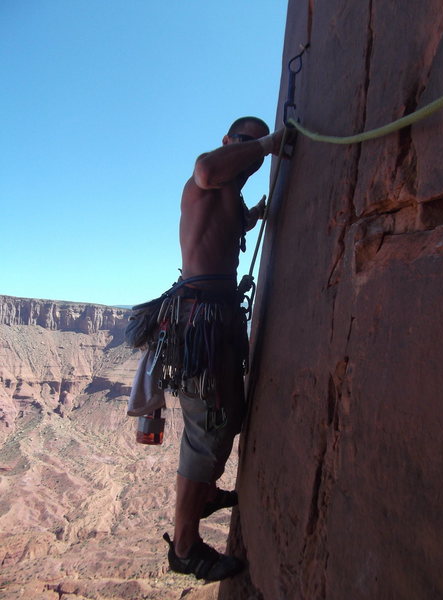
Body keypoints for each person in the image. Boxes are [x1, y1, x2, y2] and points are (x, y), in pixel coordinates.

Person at [161, 117, 288, 581]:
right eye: (243, 142)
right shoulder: (209, 177)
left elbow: (223, 229)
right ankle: (185, 547)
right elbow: (205, 170)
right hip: (201, 321)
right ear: (227, 142)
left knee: (226, 416)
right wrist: (270, 144)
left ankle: (207, 493)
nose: (250, 151)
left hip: (216, 319)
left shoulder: (230, 200)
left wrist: (253, 214)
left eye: (254, 145)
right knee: (209, 427)